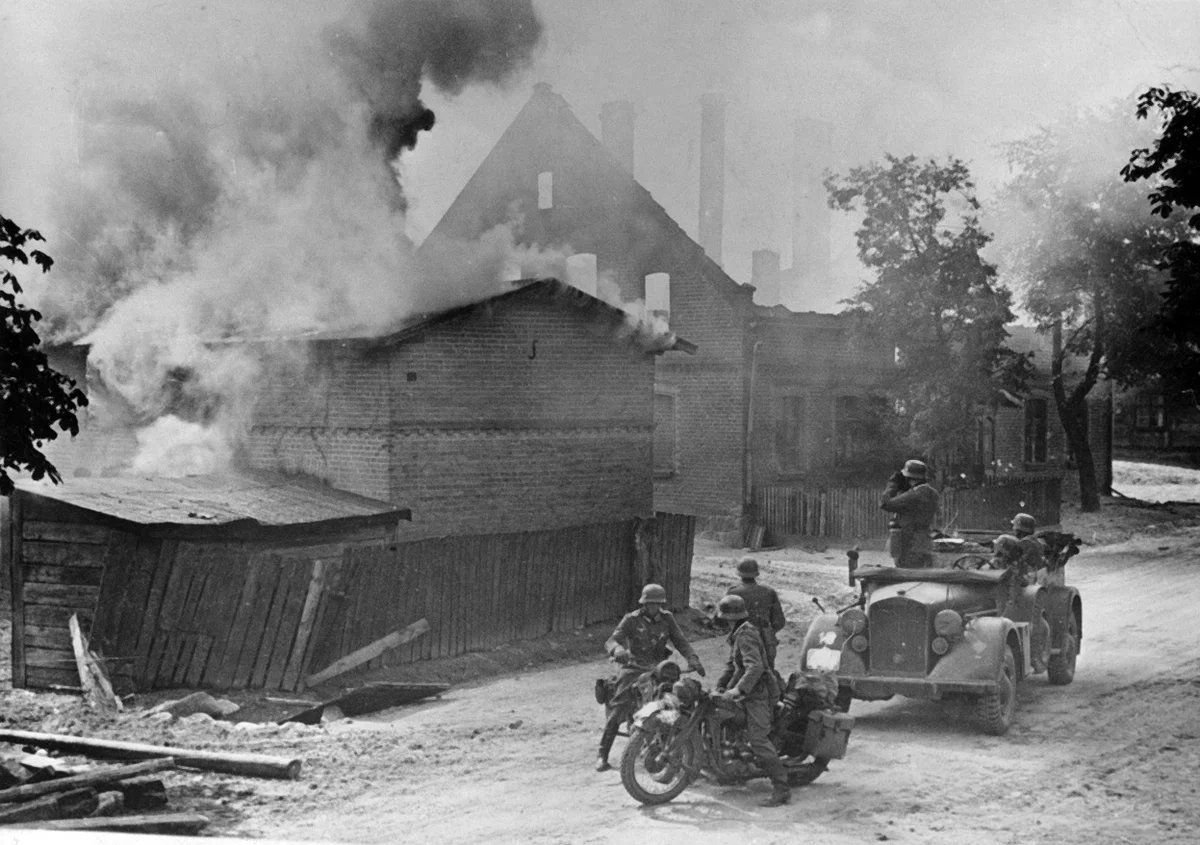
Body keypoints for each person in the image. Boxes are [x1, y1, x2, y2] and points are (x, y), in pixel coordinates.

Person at [596, 583, 705, 772]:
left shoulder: (667, 618)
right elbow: (611, 640)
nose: (653, 608)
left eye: (657, 604)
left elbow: (681, 641)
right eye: (650, 604)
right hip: (634, 668)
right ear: (644, 604)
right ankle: (602, 754)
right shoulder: (631, 619)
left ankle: (676, 748)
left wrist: (693, 659)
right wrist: (618, 650)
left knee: (677, 702)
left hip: (660, 669)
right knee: (619, 706)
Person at [714, 594, 790, 807]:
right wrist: (720, 687)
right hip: (748, 691)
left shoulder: (746, 635)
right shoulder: (738, 633)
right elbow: (732, 665)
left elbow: (755, 667)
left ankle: (782, 788)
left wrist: (738, 689)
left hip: (758, 693)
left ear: (730, 617)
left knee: (758, 739)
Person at [726, 557, 786, 670]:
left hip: (741, 641)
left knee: (735, 672)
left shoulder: (733, 592)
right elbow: (779, 622)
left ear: (739, 574)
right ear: (756, 573)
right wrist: (768, 632)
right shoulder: (769, 592)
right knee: (768, 675)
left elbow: (723, 620)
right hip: (767, 641)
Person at [880, 459, 940, 568]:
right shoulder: (932, 493)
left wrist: (892, 485)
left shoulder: (914, 495)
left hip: (909, 544)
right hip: (924, 541)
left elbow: (885, 504)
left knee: (906, 572)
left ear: (909, 478)